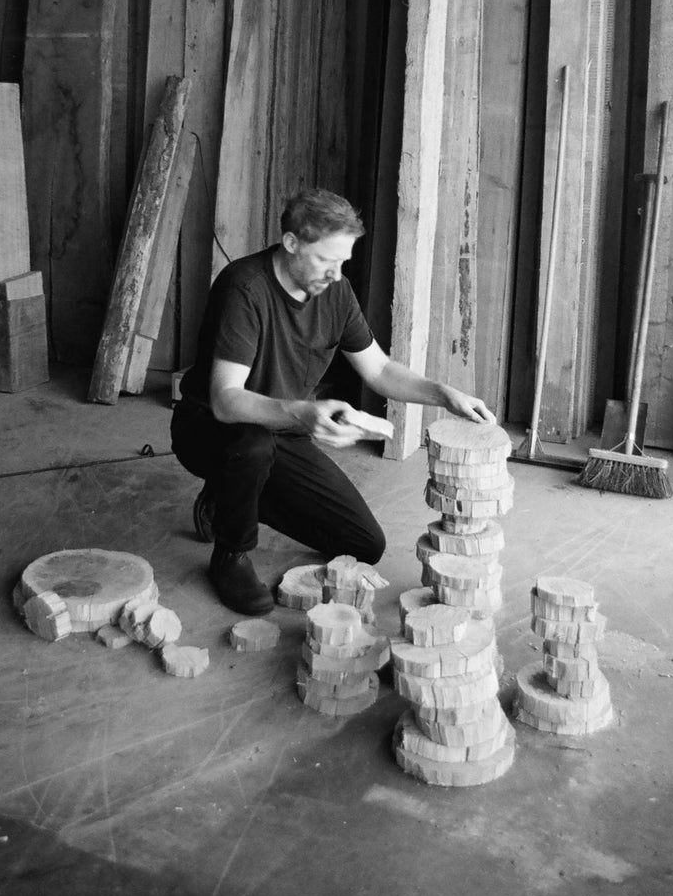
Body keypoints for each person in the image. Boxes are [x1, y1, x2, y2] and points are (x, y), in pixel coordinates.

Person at [171, 187, 495, 616]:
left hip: (282, 427)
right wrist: (304, 413)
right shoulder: (243, 288)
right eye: (327, 260)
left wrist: (443, 394)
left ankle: (226, 497)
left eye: (344, 261)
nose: (337, 274)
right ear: (291, 245)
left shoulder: (335, 292)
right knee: (251, 447)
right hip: (211, 428)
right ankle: (230, 553)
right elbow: (226, 401)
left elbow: (378, 369)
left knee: (364, 544)